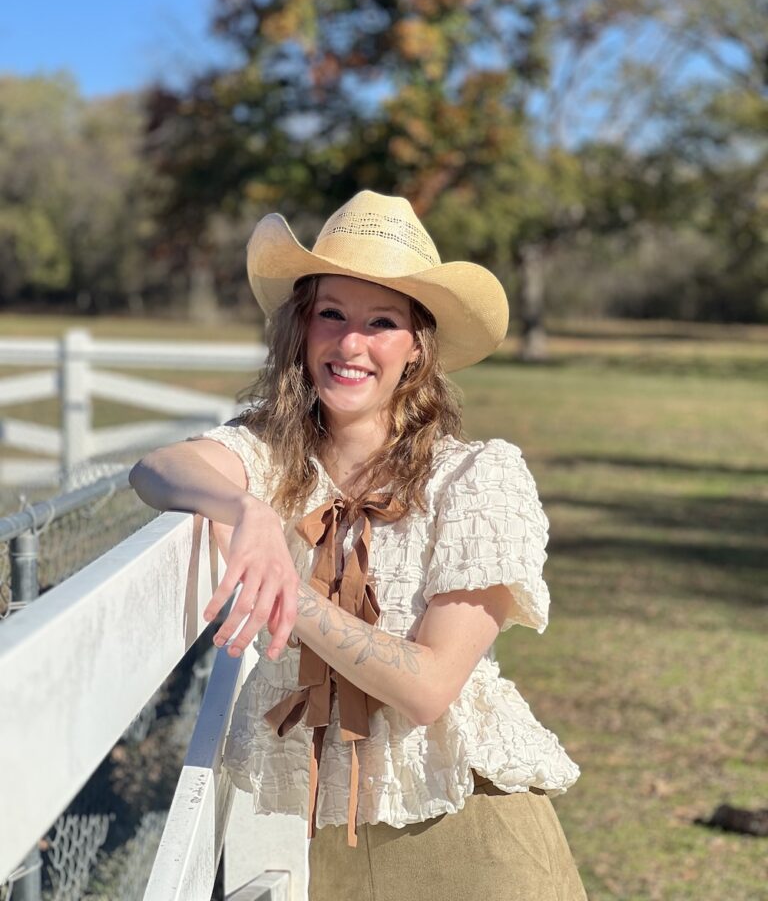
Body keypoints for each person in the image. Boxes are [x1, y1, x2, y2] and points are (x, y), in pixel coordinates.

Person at [129, 190, 588, 901]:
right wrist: (244, 507)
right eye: (332, 315)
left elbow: (431, 687)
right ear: (302, 328)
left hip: (467, 828)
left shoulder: (476, 476)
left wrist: (284, 589)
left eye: (382, 322)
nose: (350, 345)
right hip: (322, 845)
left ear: (416, 348)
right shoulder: (270, 456)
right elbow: (156, 468)